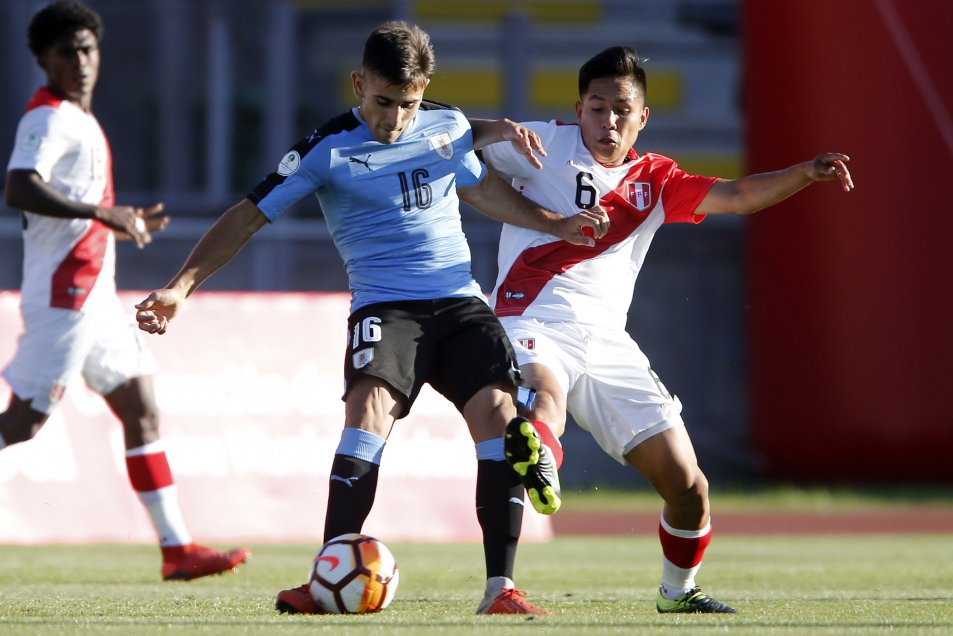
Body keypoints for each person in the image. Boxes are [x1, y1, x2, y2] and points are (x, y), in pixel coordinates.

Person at [135, 21, 606, 615]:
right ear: (359, 84)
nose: (394, 118)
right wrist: (180, 286)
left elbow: (483, 193)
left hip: (461, 302)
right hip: (386, 306)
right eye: (382, 102)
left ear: (425, 90)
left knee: (499, 417)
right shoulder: (325, 148)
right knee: (367, 411)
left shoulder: (448, 126)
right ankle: (325, 571)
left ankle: (501, 590)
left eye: (407, 104)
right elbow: (248, 216)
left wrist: (554, 223)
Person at [474, 45, 854, 614]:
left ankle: (678, 592)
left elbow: (739, 195)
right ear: (578, 110)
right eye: (597, 109)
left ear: (642, 117)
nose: (608, 122)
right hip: (530, 316)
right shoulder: (540, 143)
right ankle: (539, 459)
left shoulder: (655, 179)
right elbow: (448, 134)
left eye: (621, 111)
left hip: (607, 341)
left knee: (689, 487)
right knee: (543, 392)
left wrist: (803, 172)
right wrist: (490, 128)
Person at [0, 0, 251, 581]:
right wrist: (104, 213)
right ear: (43, 59)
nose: (81, 61)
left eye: (88, 49)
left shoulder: (81, 120)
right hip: (64, 301)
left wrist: (116, 217)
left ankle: (176, 548)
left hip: (95, 300)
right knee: (23, 424)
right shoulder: (49, 118)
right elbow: (18, 187)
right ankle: (175, 546)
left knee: (141, 408)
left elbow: (70, 208)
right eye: (67, 52)